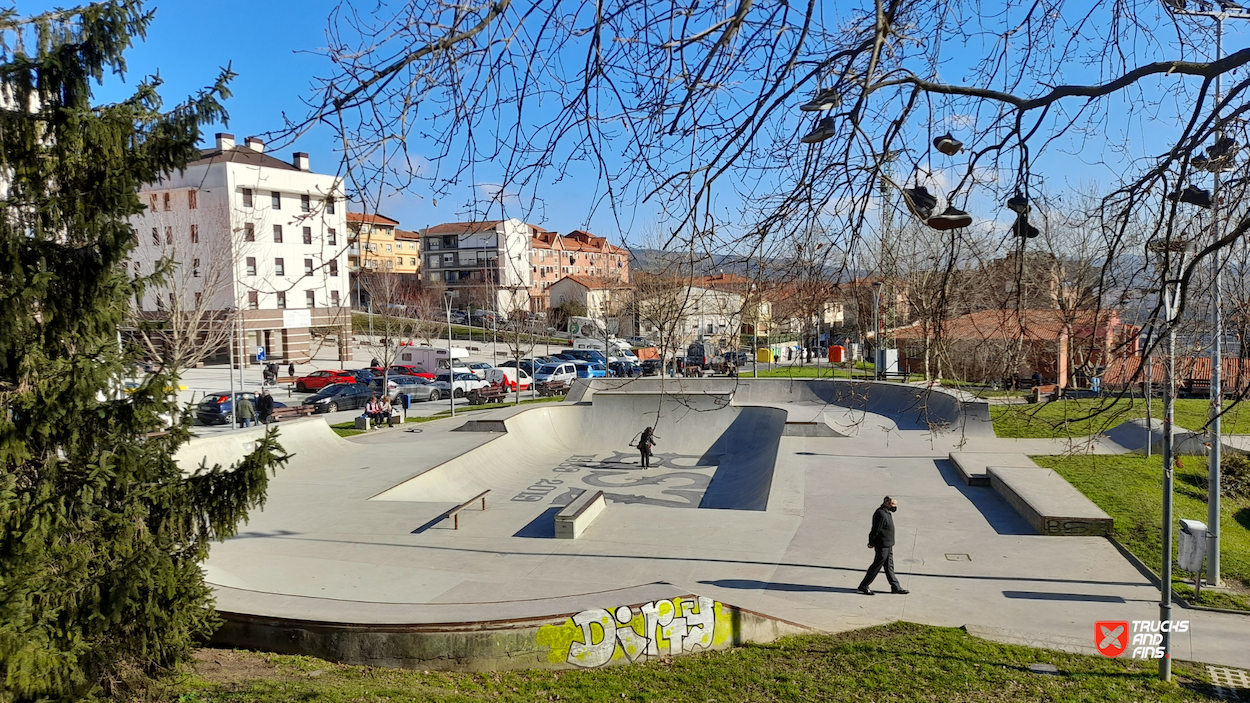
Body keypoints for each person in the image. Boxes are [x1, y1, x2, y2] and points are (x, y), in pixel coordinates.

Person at [858, 496, 908, 595]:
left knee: (889, 566)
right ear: (886, 503)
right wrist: (871, 542)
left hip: (888, 545)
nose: (895, 507)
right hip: (882, 545)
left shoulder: (886, 512)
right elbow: (875, 530)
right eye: (893, 504)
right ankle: (864, 585)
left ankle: (895, 586)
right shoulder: (880, 514)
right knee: (876, 566)